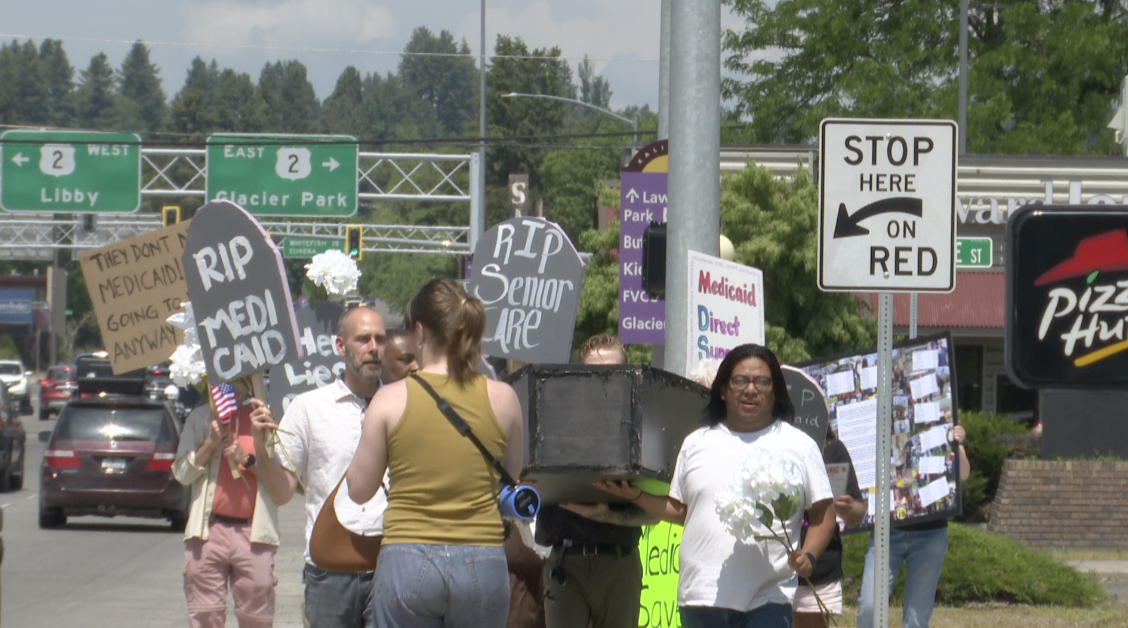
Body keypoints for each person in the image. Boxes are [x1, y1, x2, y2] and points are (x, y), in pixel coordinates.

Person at [596, 344, 836, 628]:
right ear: (722, 390)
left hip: (769, 596)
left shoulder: (800, 446)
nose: (750, 389)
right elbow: (680, 510)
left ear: (776, 392)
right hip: (702, 595)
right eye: (739, 381)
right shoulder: (696, 443)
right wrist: (635, 495)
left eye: (762, 381)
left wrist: (809, 555)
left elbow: (824, 513)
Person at [345, 278, 524, 628]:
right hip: (483, 559)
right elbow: (512, 481)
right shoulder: (504, 399)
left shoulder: (390, 399)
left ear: (421, 332)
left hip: (408, 558)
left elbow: (359, 489)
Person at [251, 306, 389, 628]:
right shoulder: (309, 408)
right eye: (363, 339)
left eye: (380, 339)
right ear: (340, 346)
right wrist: (262, 449)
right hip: (329, 572)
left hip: (391, 567)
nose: (373, 347)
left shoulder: (403, 404)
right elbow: (281, 493)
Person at [534, 333, 656, 628]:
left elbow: (654, 513)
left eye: (613, 372)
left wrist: (607, 514)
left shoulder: (642, 430)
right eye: (594, 373)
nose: (604, 380)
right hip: (565, 560)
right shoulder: (551, 423)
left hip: (619, 562)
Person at [173, 382, 280, 628]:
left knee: (257, 619)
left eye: (242, 382)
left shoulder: (264, 418)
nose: (234, 387)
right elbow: (182, 474)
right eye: (228, 382)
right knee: (205, 616)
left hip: (254, 533)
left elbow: (281, 479)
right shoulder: (201, 418)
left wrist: (246, 459)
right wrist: (211, 441)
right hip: (208, 532)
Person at [854, 424, 970, 628]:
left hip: (930, 533)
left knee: (917, 619)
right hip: (887, 531)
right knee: (869, 608)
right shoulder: (880, 414)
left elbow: (963, 474)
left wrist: (958, 444)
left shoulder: (942, 423)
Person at [793, 428, 866, 628]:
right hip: (772, 568)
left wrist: (850, 508)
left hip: (820, 570)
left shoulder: (833, 449)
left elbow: (858, 513)